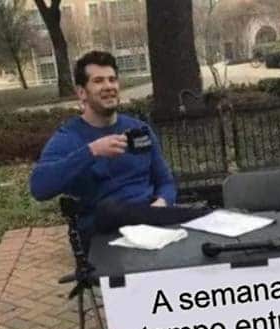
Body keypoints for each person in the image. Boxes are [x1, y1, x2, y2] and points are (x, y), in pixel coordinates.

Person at [30, 51, 206, 245]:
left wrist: (162, 202)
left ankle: (204, 216)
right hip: (105, 234)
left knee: (197, 232)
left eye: (112, 79)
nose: (108, 86)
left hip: (151, 223)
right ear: (82, 93)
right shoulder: (69, 137)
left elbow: (165, 181)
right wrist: (92, 151)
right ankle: (192, 215)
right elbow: (39, 187)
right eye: (98, 81)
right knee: (110, 210)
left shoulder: (139, 130)